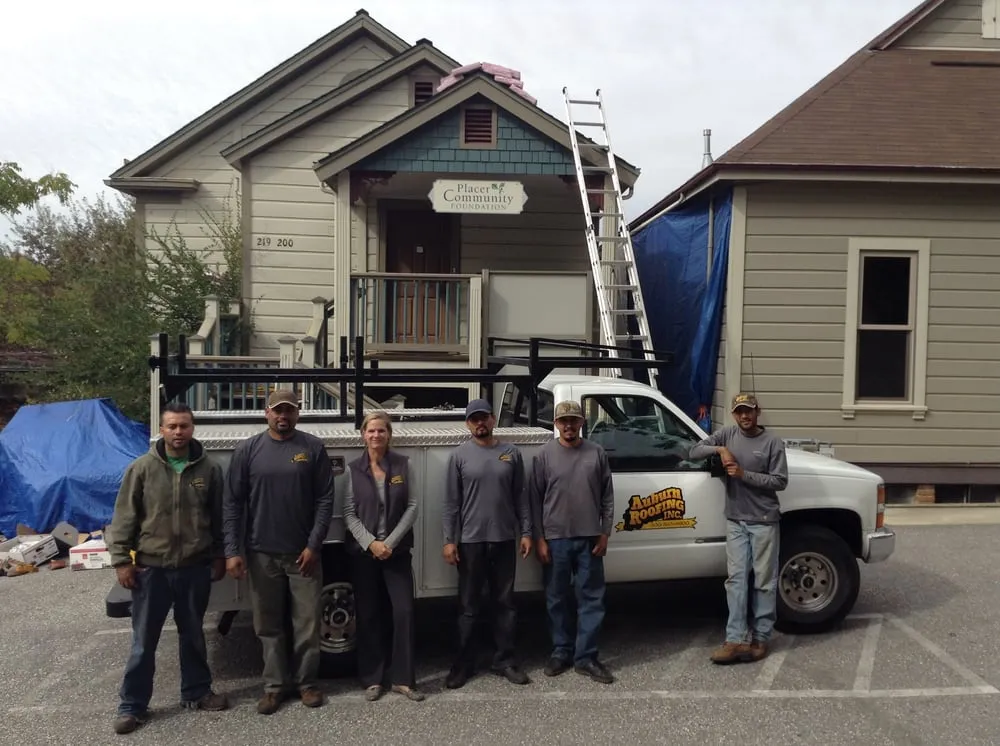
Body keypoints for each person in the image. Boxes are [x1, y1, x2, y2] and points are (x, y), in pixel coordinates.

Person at [108, 402, 229, 735]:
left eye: (184, 426)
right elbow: (124, 519)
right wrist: (121, 560)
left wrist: (219, 555)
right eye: (172, 426)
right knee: (144, 641)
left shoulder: (209, 470)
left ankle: (197, 692)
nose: (178, 432)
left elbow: (218, 519)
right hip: (151, 570)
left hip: (194, 568)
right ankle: (132, 706)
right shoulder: (142, 469)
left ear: (192, 429)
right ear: (161, 430)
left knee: (193, 636)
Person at [223, 389, 334, 714]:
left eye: (289, 411)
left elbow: (325, 501)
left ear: (298, 413)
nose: (283, 416)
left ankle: (307, 684)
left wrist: (314, 545)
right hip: (261, 554)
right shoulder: (248, 450)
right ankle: (273, 688)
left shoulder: (312, 448)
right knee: (268, 626)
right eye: (277, 411)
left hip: (304, 556)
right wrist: (233, 550)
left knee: (307, 624)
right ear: (266, 412)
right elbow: (232, 504)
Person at [689, 393, 789, 665]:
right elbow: (694, 451)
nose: (744, 416)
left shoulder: (772, 442)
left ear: (758, 412)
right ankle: (734, 639)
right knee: (735, 581)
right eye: (739, 412)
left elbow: (780, 481)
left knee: (764, 583)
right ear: (734, 414)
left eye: (749, 411)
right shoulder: (727, 435)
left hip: (764, 520)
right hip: (735, 520)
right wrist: (720, 450)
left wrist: (744, 475)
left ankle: (761, 638)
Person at [442, 398, 533, 689]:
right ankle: (463, 664)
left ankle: (504, 660)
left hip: (505, 539)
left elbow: (521, 496)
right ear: (468, 424)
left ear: (493, 420)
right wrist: (449, 540)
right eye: (474, 419)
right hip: (470, 542)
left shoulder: (511, 453)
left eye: (484, 418)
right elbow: (451, 504)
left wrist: (527, 532)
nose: (479, 423)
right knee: (468, 606)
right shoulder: (459, 456)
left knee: (505, 604)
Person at [528, 400, 615, 685]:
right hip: (556, 540)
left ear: (581, 423)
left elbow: (607, 497)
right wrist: (539, 538)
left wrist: (604, 533)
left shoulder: (596, 453)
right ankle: (561, 652)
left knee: (591, 599)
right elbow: (534, 501)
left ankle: (586, 657)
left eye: (574, 420)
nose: (568, 425)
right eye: (563, 420)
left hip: (590, 539)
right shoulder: (543, 456)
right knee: (557, 599)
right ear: (555, 424)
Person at [343, 411, 423, 702]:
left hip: (396, 552)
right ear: (363, 435)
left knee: (403, 612)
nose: (376, 436)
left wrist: (389, 542)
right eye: (371, 431)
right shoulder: (353, 470)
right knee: (369, 614)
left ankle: (403, 679)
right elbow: (349, 514)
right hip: (365, 556)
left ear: (389, 434)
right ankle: (373, 679)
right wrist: (371, 544)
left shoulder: (404, 465)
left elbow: (412, 507)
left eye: (381, 431)